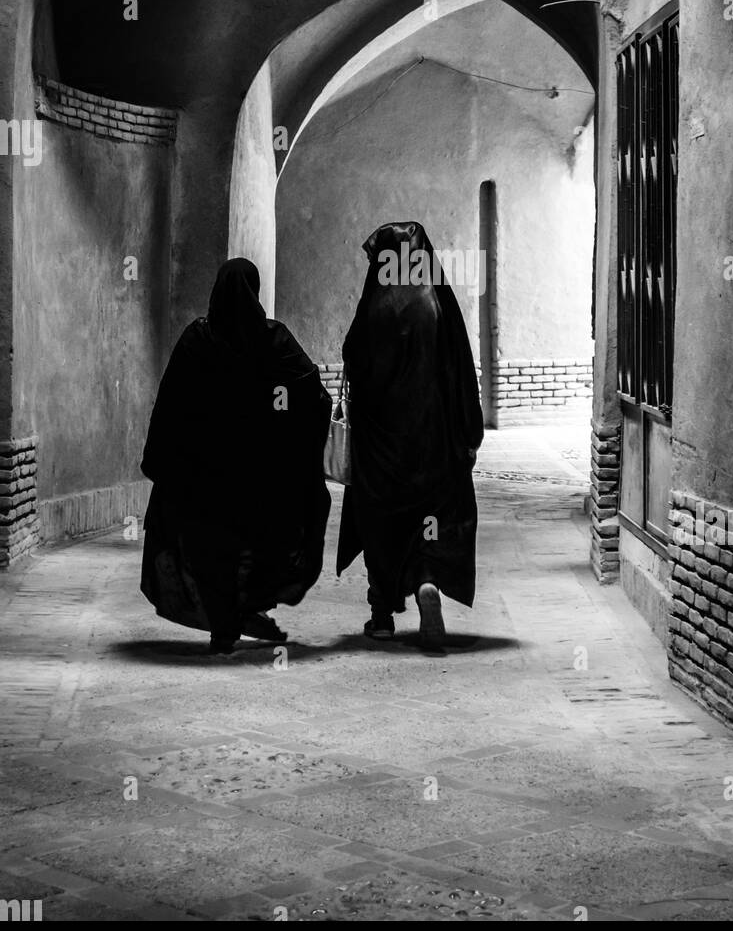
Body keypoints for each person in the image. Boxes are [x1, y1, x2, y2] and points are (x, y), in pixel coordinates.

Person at [140, 257, 332, 654]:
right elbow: (311, 392)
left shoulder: (197, 339)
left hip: (204, 475)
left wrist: (165, 460)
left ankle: (225, 625)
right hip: (260, 476)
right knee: (259, 544)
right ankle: (244, 610)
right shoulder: (273, 339)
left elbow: (171, 402)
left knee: (211, 549)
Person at [336, 221, 484, 647]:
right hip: (433, 444)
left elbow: (353, 359)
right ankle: (427, 580)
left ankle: (381, 613)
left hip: (381, 448)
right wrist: (467, 434)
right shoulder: (436, 301)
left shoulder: (375, 306)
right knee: (429, 521)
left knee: (381, 524)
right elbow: (459, 372)